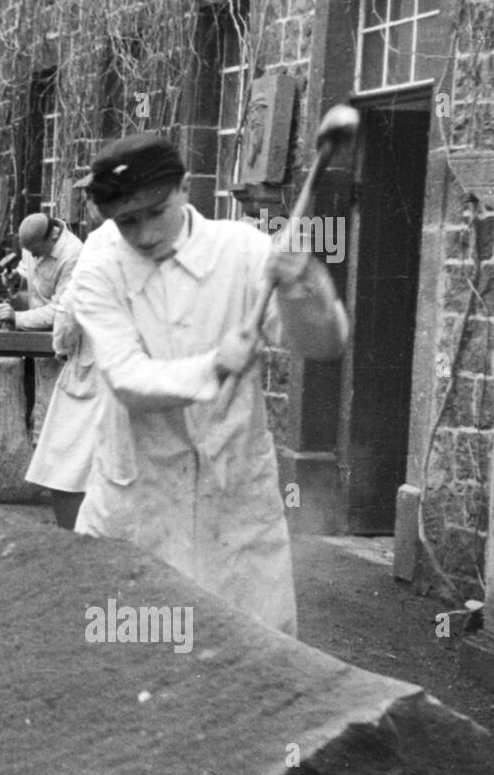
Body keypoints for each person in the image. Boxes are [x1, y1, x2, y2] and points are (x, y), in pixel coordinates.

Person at [70, 132, 347, 637]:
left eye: (156, 212)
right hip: (139, 495)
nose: (145, 233)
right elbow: (127, 379)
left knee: (248, 654)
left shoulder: (242, 250)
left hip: (235, 497)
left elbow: (323, 344)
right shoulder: (98, 266)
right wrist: (215, 366)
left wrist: (303, 285)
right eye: (126, 221)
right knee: (131, 659)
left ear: (183, 189)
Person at [25, 201, 107, 529]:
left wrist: (61, 345)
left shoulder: (86, 252)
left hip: (89, 363)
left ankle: (74, 533)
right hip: (116, 362)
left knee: (66, 453)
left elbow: (67, 311)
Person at [0, 213, 84, 443]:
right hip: (37, 337)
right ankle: (38, 452)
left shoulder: (73, 255)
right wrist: (17, 279)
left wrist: (17, 318)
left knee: (57, 405)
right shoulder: (33, 246)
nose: (32, 256)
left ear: (53, 236)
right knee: (40, 402)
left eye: (36, 251)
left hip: (62, 340)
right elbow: (31, 273)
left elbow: (59, 310)